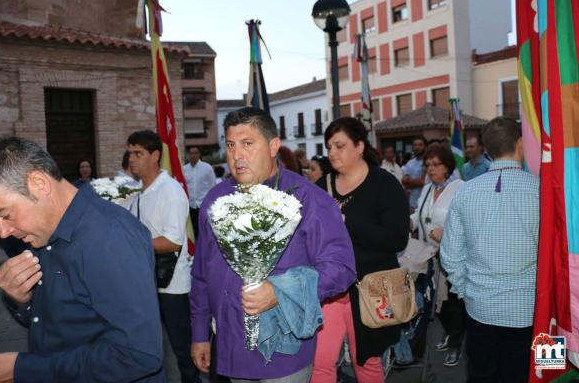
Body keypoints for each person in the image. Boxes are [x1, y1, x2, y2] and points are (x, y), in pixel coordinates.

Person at [190, 107, 356, 382]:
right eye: (231, 145)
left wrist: (280, 290)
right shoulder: (215, 200)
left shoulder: (308, 199)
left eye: (247, 144)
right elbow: (201, 273)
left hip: (284, 350)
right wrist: (199, 334)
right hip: (230, 343)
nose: (237, 155)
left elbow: (341, 268)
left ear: (273, 146)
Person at [0, 137, 163, 382]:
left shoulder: (109, 238)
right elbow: (55, 321)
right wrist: (21, 300)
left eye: (5, 215)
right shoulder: (44, 233)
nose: (3, 232)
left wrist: (24, 369)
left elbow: (138, 355)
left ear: (39, 183)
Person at [441, 117, 539, 383]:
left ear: (486, 149)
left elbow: (450, 256)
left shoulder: (465, 192)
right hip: (535, 314)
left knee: (483, 376)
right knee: (538, 374)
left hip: (481, 309)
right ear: (521, 144)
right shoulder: (543, 191)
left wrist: (467, 292)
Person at [312, 117, 410, 383]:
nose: (332, 152)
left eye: (339, 146)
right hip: (330, 289)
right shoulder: (322, 186)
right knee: (320, 362)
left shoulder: (385, 185)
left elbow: (397, 239)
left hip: (370, 288)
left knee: (365, 361)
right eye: (329, 147)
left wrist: (347, 223)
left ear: (359, 146)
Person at [125, 130, 201, 383]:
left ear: (155, 155)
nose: (132, 159)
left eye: (138, 153)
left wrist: (131, 244)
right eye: (130, 153)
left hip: (172, 287)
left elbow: (172, 241)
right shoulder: (140, 193)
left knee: (183, 353)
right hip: (147, 282)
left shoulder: (169, 190)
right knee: (149, 350)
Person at [409, 145, 464, 367]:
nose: (431, 169)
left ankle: (456, 344)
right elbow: (420, 212)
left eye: (436, 164)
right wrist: (410, 221)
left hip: (451, 255)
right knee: (435, 301)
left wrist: (447, 232)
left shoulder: (460, 187)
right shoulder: (428, 188)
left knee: (453, 302)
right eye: (428, 165)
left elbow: (465, 220)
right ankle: (450, 333)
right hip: (427, 255)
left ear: (447, 166)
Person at [184, 146, 216, 239]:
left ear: (199, 154)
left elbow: (212, 186)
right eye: (191, 153)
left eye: (195, 153)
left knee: (205, 230)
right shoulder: (184, 169)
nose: (193, 155)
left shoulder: (207, 168)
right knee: (192, 231)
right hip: (190, 205)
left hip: (203, 204)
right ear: (188, 155)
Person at [402, 137, 426, 212]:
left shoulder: (428, 162)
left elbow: (423, 182)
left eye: (420, 145)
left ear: (425, 146)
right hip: (412, 203)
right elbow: (404, 182)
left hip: (425, 203)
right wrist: (417, 182)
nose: (417, 147)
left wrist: (410, 182)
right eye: (415, 145)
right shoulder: (410, 163)